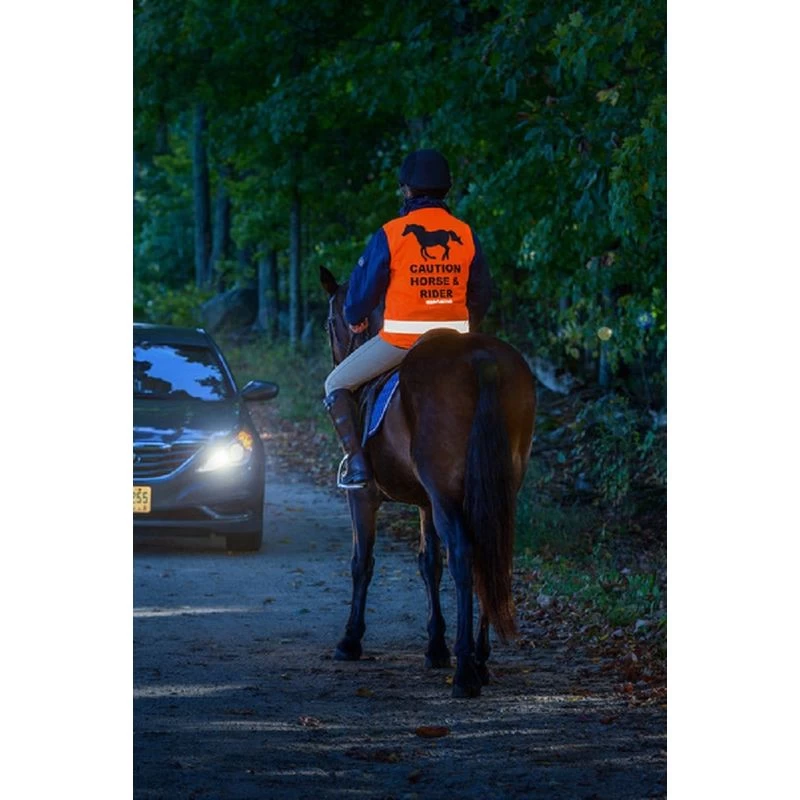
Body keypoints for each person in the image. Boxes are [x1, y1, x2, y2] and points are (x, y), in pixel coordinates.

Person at [323, 148, 492, 489]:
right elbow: (483, 293)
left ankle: (357, 466)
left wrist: (355, 318)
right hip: (456, 343)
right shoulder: (465, 234)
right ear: (446, 189)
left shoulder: (392, 233)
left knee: (335, 384)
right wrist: (465, 327)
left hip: (401, 343)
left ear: (407, 190)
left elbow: (362, 292)